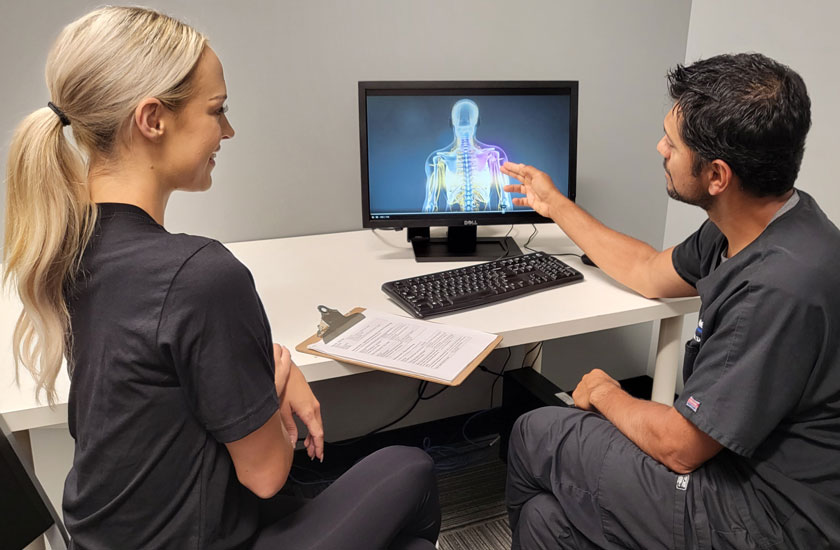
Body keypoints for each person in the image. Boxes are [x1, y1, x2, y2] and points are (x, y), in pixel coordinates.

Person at [2, 7, 440, 550]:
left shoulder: (67, 248)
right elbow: (266, 475)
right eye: (217, 111)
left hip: (103, 535)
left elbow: (162, 356)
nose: (227, 131)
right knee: (411, 467)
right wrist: (272, 381)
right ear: (152, 119)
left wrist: (260, 361)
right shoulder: (201, 274)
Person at [501, 53, 840, 549]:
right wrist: (553, 204)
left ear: (717, 176)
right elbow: (648, 271)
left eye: (672, 143)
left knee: (537, 433)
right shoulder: (764, 221)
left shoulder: (777, 286)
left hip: (771, 516)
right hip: (737, 460)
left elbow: (680, 446)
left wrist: (605, 392)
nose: (659, 147)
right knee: (545, 521)